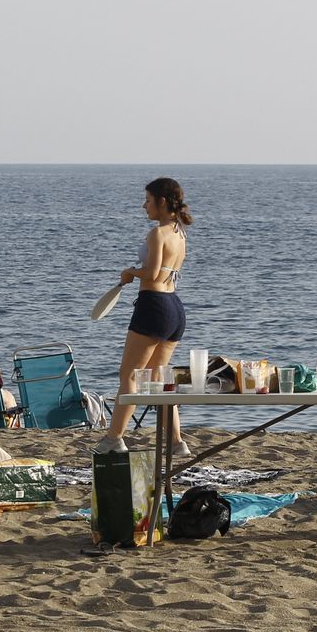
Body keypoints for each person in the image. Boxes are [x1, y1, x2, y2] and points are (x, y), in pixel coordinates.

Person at [97, 177, 191, 456]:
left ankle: (114, 438)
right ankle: (177, 443)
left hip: (154, 306)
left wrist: (130, 273)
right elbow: (166, 271)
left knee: (129, 375)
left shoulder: (157, 234)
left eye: (148, 200)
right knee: (158, 378)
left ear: (161, 201)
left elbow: (152, 274)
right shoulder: (180, 233)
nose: (144, 206)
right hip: (174, 309)